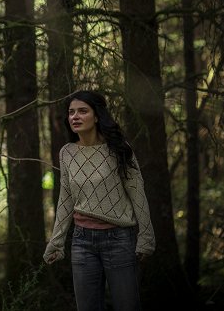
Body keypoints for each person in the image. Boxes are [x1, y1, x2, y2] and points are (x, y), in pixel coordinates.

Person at [43, 90, 155, 311]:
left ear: (96, 116)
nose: (75, 116)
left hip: (119, 239)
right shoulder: (67, 153)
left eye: (82, 111)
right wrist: (56, 241)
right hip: (82, 241)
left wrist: (146, 236)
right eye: (71, 112)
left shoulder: (119, 149)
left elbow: (137, 193)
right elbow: (65, 198)